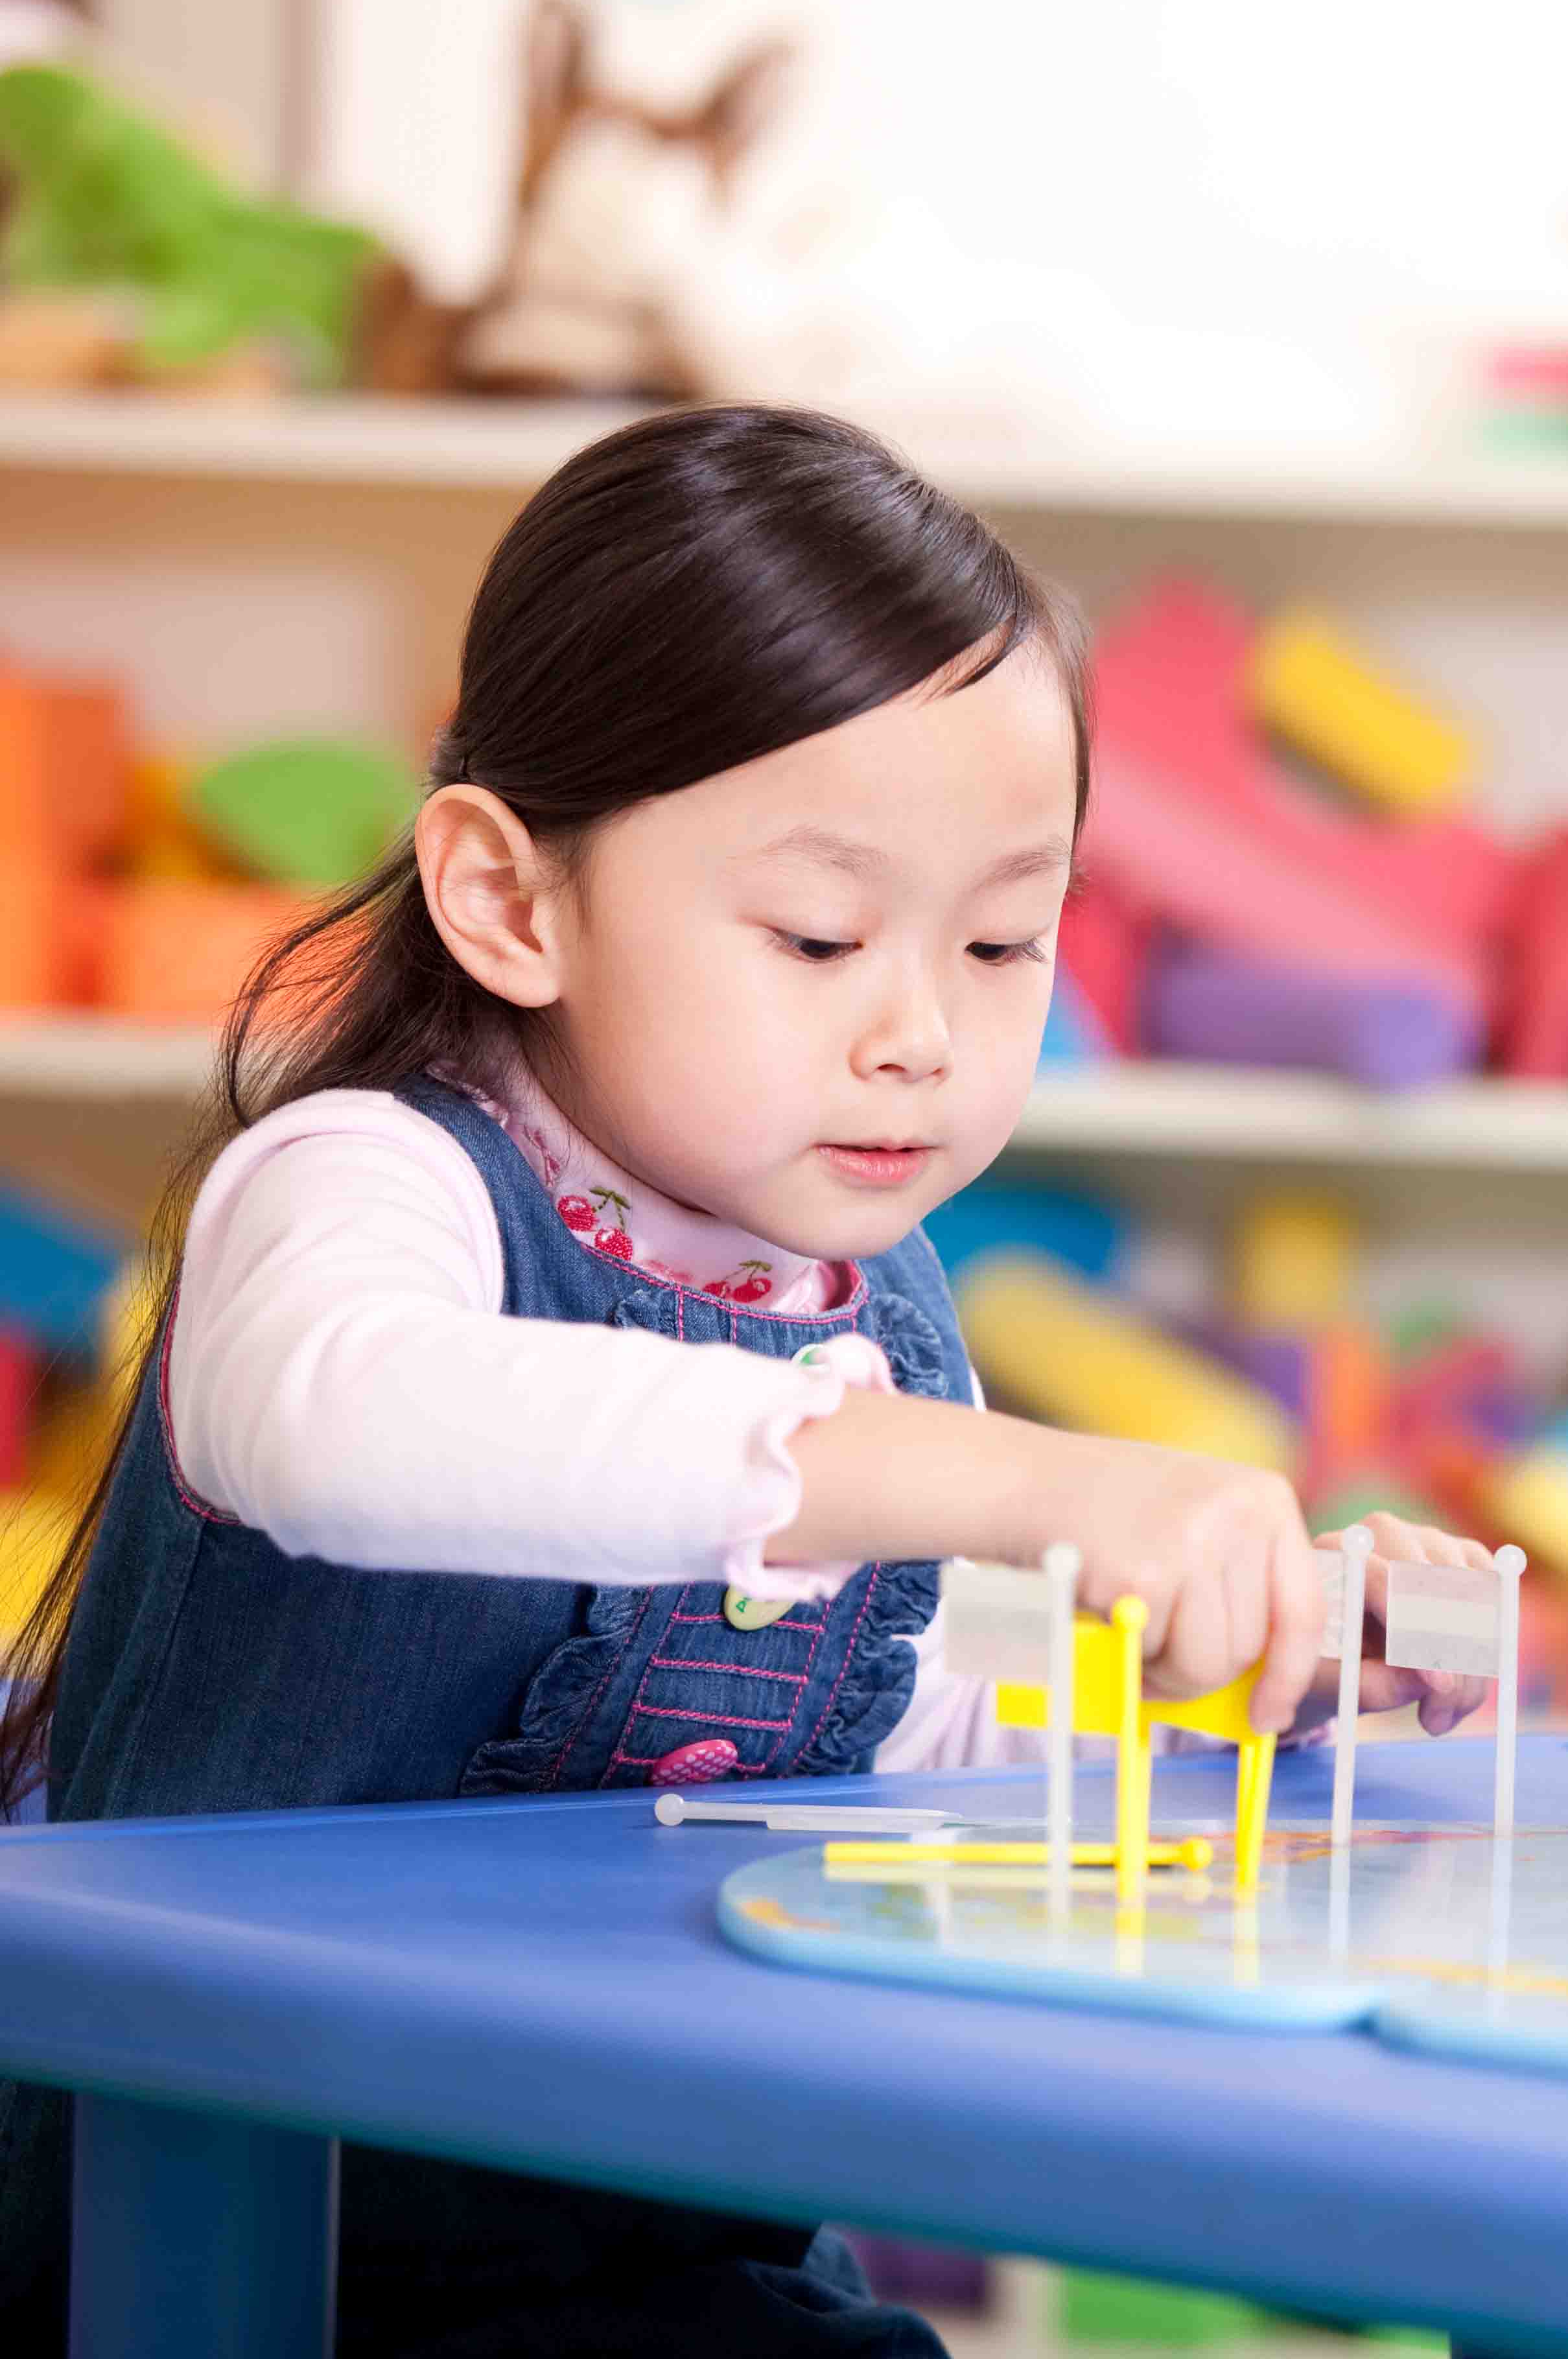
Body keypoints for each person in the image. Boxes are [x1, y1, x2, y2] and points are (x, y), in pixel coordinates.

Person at [0, 405, 1491, 2345]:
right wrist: (1034, 1483)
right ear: (509, 900)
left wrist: (1229, 1710)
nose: (923, 1037)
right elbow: (335, 1418)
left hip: (658, 2237)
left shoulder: (867, 1288)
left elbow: (832, 1745)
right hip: (215, 2243)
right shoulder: (367, 1179)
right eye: (819, 934)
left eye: (1002, 942)